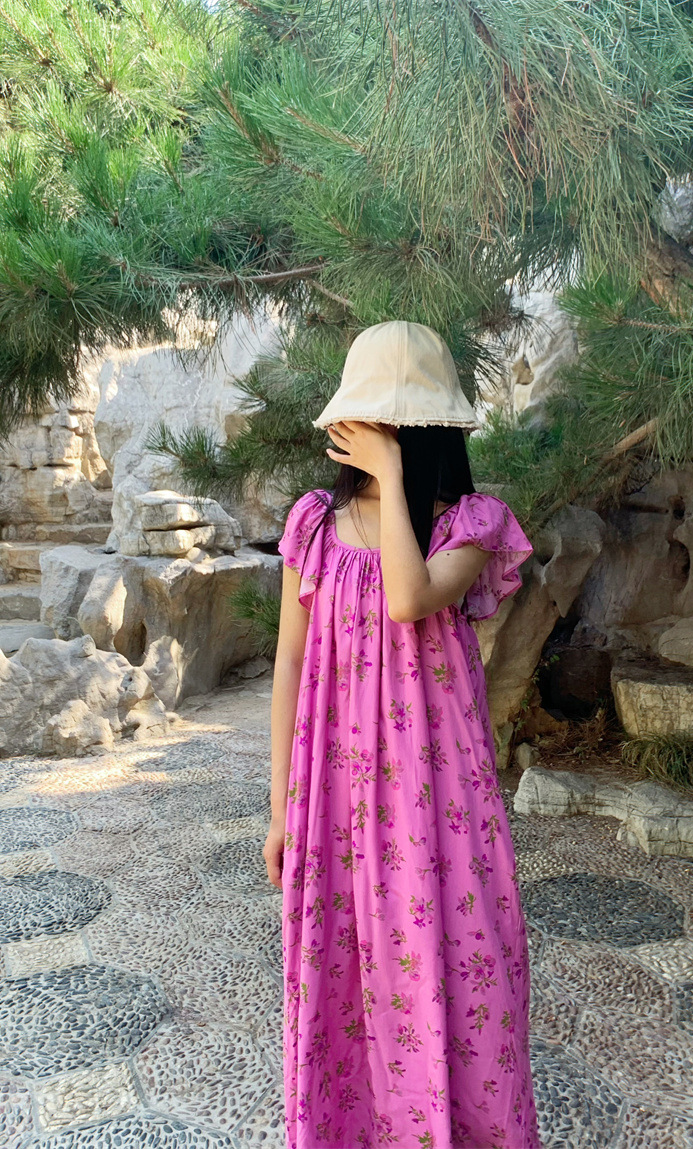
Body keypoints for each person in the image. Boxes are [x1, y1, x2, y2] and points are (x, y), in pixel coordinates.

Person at [264, 321, 542, 1149]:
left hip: (438, 795)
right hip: (334, 792)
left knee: (457, 971)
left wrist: (390, 476)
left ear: (422, 429)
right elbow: (288, 665)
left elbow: (408, 597)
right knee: (344, 978)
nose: (365, 430)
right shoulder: (312, 525)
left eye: (386, 420)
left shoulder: (470, 524)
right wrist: (279, 809)